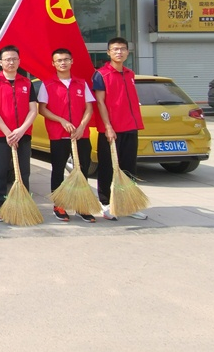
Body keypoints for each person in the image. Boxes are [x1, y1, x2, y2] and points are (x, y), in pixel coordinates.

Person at [37, 48, 96, 223]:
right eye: (59, 60)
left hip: (81, 135)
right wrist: (62, 121)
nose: (63, 63)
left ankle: (81, 205)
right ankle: (59, 205)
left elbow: (89, 107)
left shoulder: (81, 83)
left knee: (82, 170)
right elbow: (42, 109)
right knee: (58, 170)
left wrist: (82, 126)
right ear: (53, 63)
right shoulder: (47, 84)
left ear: (72, 61)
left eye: (66, 59)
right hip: (58, 135)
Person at [93, 37, 147, 221]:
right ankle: (105, 204)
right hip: (111, 130)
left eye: (123, 49)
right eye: (115, 49)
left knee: (128, 168)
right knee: (107, 168)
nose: (119, 52)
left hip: (130, 127)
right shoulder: (101, 75)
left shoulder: (130, 74)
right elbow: (100, 102)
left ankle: (127, 204)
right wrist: (108, 127)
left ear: (127, 52)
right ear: (108, 52)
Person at [0, 45, 38, 222]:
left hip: (23, 135)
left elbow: (33, 110)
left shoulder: (27, 83)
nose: (11, 62)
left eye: (14, 59)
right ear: (1, 62)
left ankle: (22, 204)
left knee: (23, 172)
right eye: (7, 59)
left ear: (19, 61)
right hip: (1, 136)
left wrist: (21, 130)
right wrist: (9, 133)